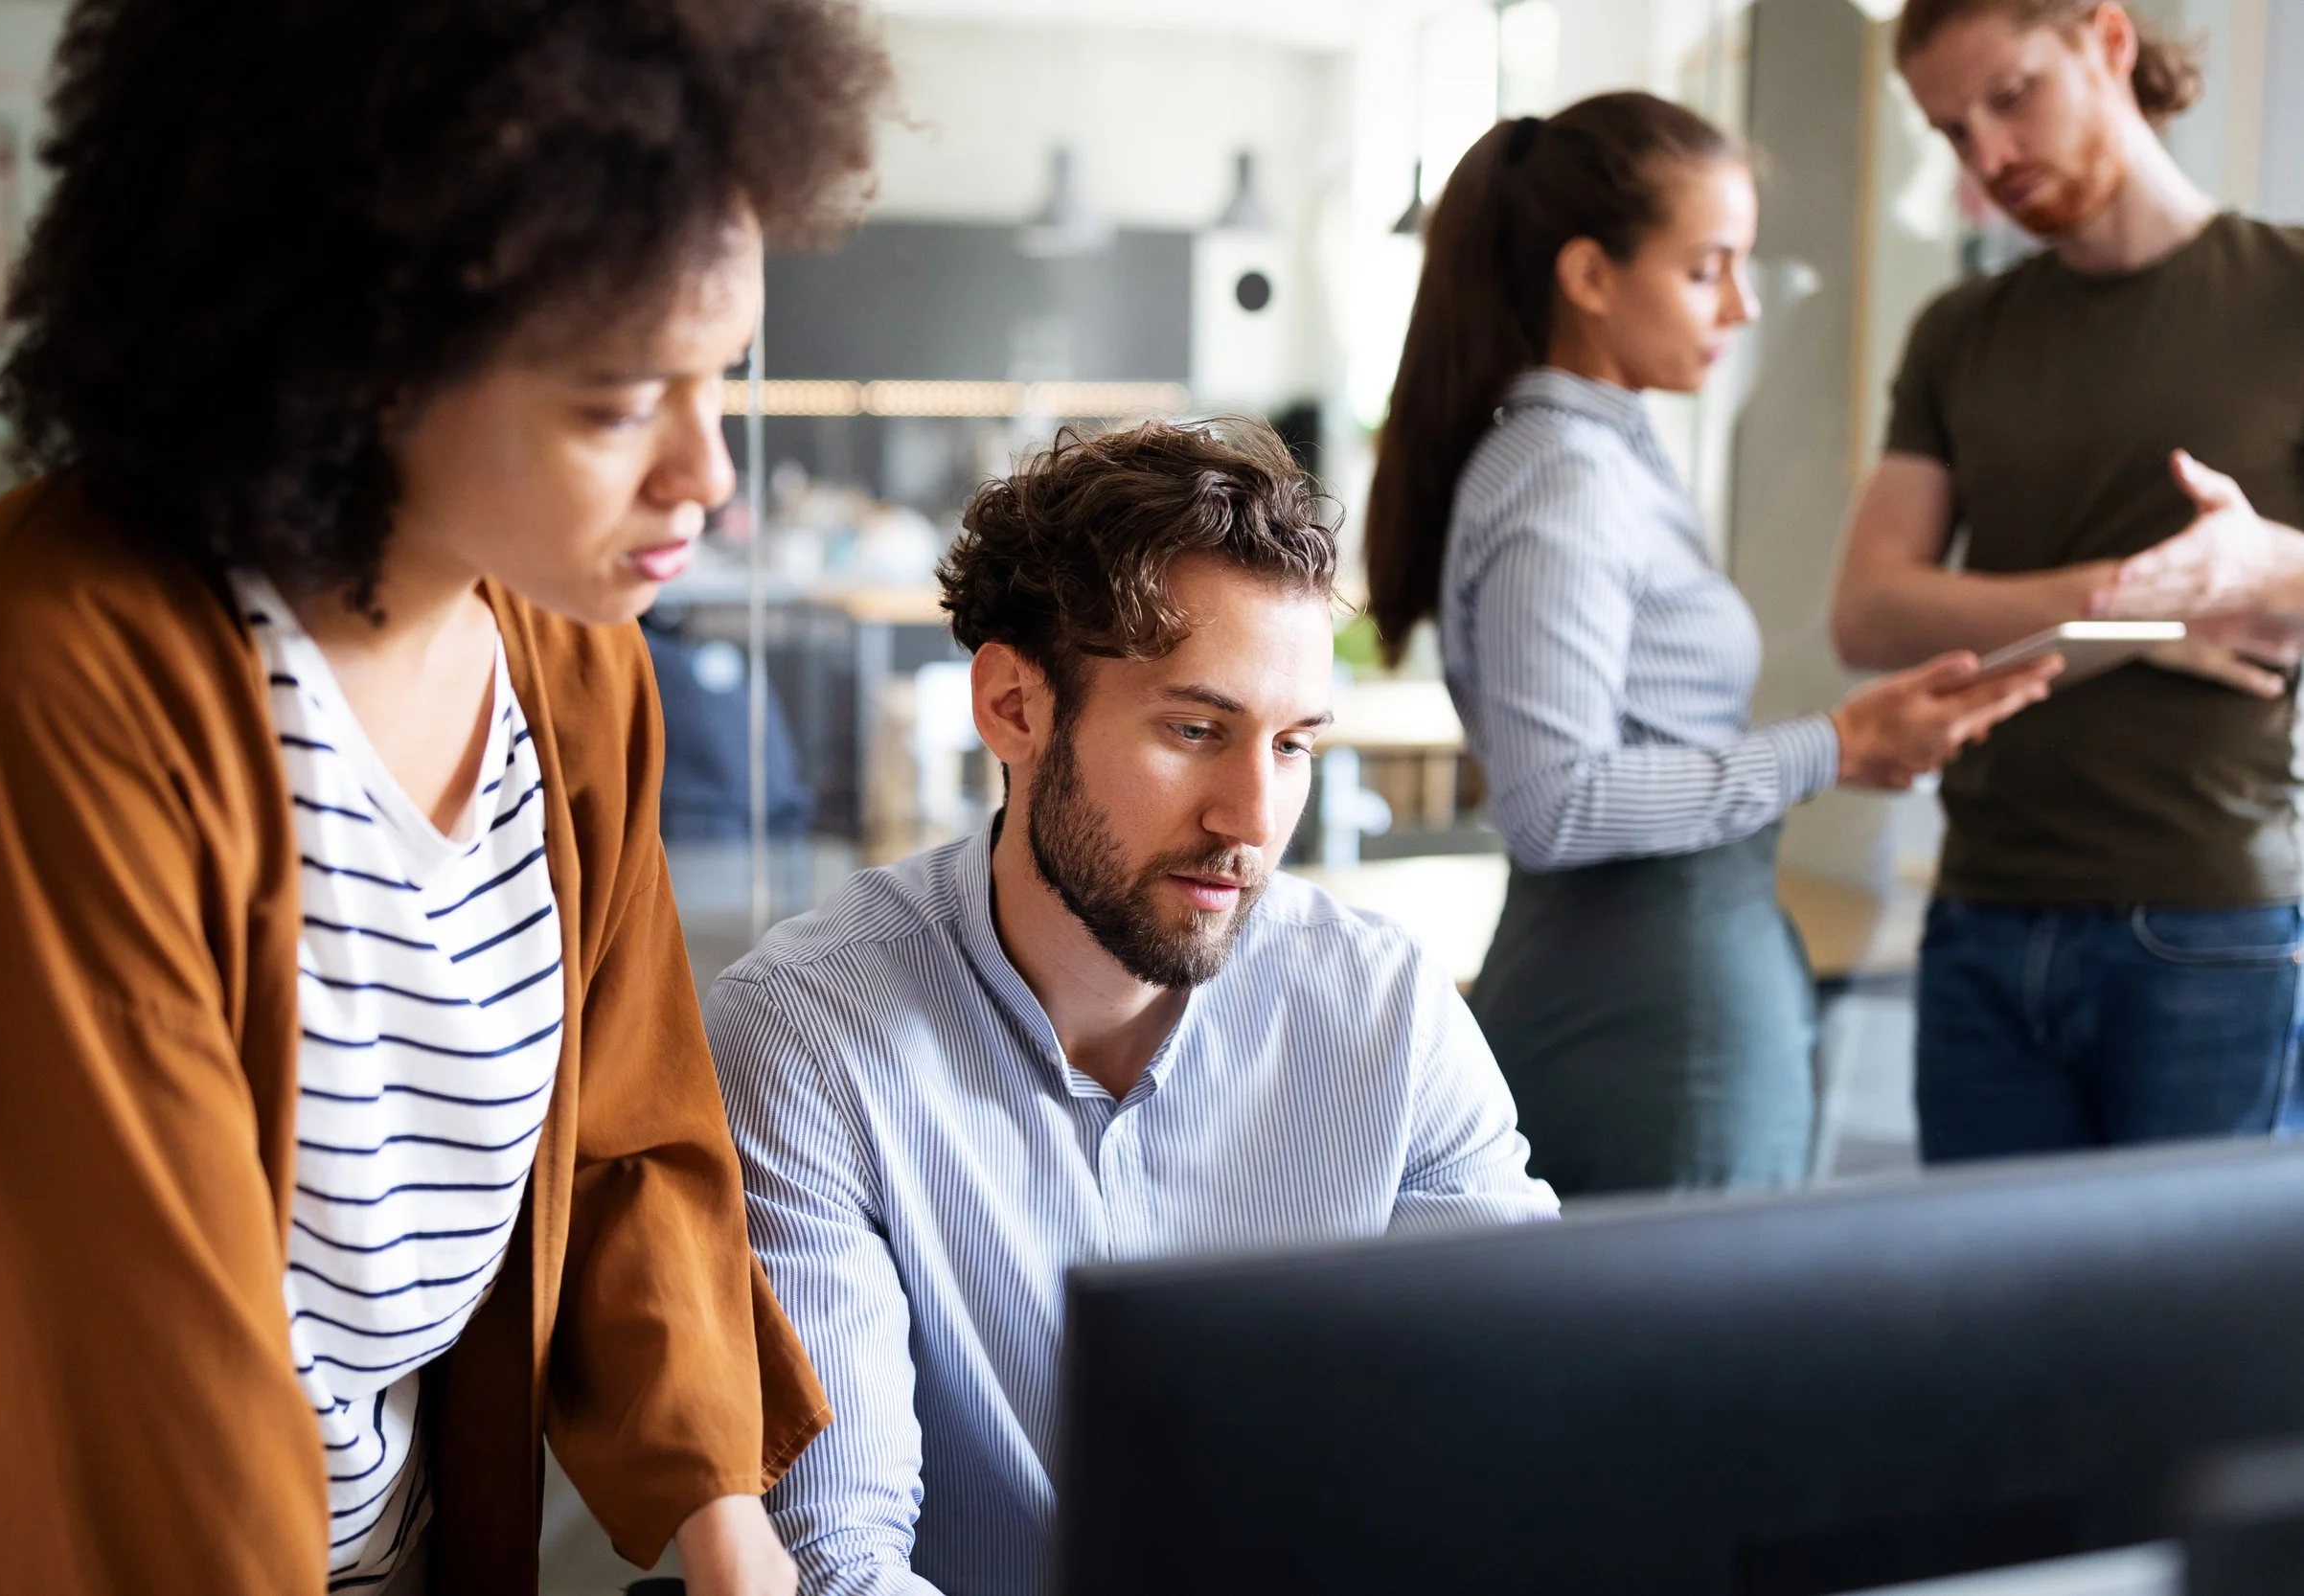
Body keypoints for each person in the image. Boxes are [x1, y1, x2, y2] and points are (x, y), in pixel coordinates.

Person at [0, 0, 891, 1590]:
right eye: (616, 400)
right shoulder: (64, 675)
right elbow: (134, 1367)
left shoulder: (573, 661)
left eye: (720, 376)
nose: (706, 471)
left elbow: (627, 1142)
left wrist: (732, 1535)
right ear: (361, 345)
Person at [706, 420, 1559, 1596]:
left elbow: (1525, 1438)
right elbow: (837, 1559)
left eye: (1294, 745)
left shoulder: (1383, 1011)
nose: (1252, 818)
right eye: (1194, 730)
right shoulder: (809, 1037)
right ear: (1011, 706)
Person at [1360, 93, 2059, 1197]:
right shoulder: (1567, 479)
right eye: (1704, 269)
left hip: (1651, 981)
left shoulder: (1590, 457)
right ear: (1588, 277)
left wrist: (1849, 745)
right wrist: (1830, 745)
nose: (1738, 304)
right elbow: (1556, 802)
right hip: (1647, 1009)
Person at [1828, 0, 2304, 1163]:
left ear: (2106, 38)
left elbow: (2274, 585)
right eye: (1950, 130)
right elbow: (1870, 609)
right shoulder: (1958, 329)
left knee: (2193, 1334)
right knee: (1983, 1330)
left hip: (2209, 918)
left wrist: (2267, 563)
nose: (1987, 157)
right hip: (1978, 905)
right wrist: (2134, 612)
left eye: (2009, 97)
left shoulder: (2291, 288)